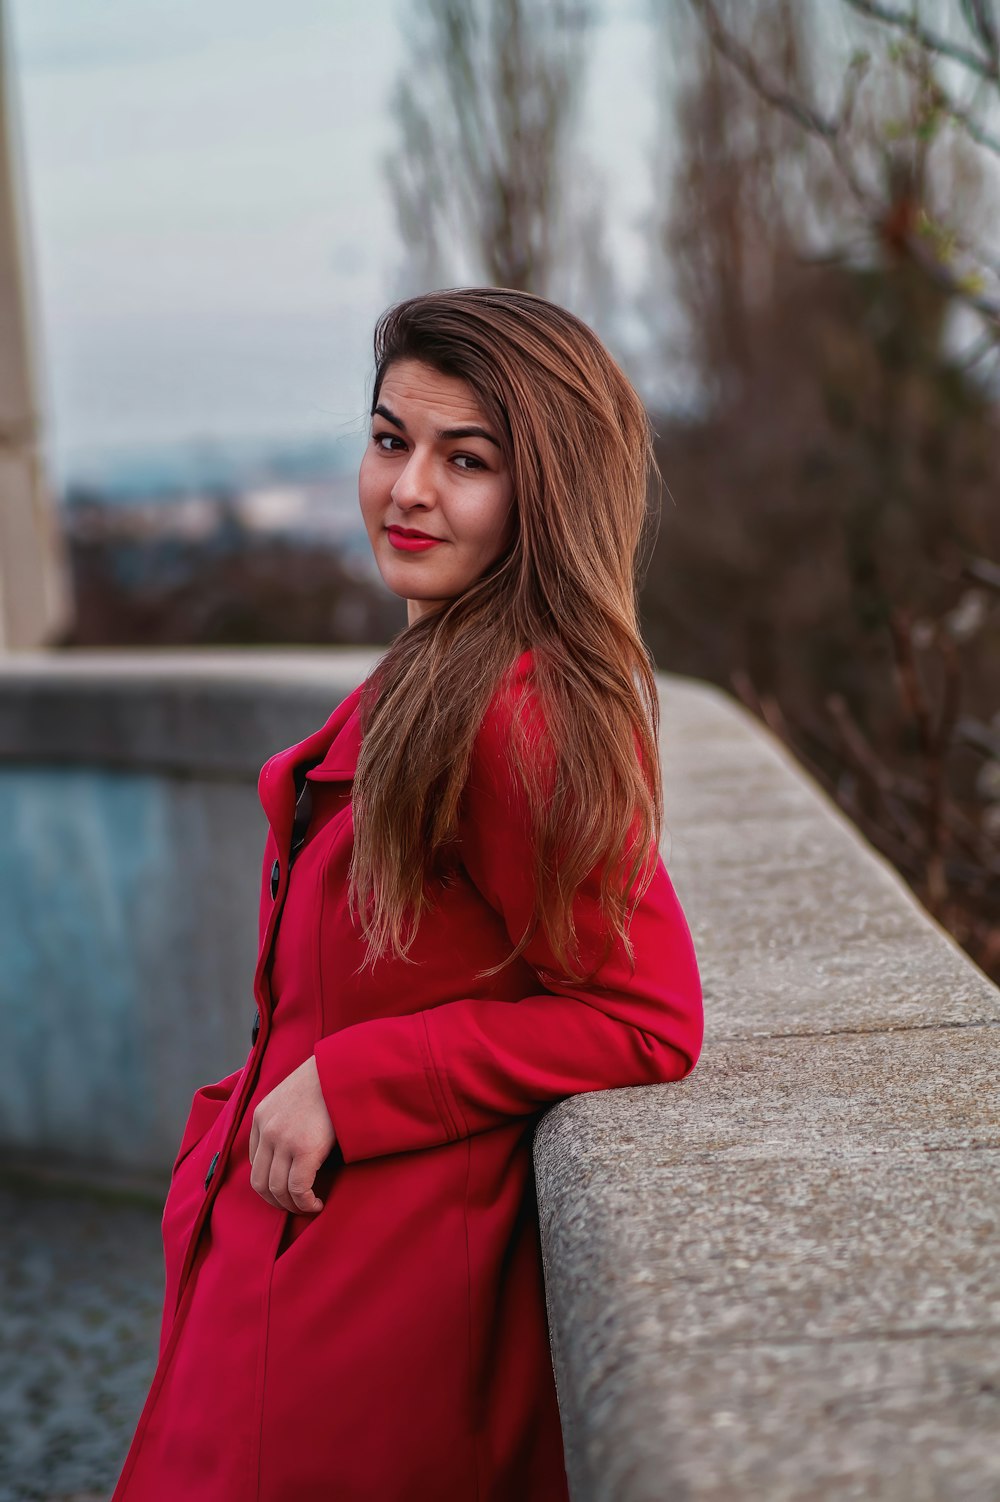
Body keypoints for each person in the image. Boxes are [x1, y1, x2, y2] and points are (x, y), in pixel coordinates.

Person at [110, 286, 704, 1502]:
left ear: (546, 488)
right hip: (301, 1265)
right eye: (391, 440)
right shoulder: (443, 669)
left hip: (368, 1321)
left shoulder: (521, 716)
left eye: (465, 458)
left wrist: (350, 1078)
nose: (409, 489)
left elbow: (646, 1018)